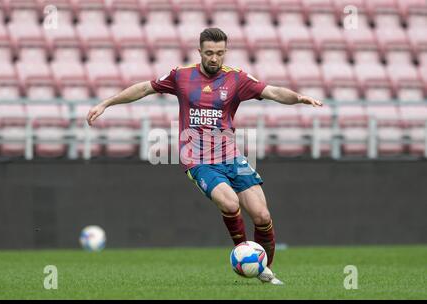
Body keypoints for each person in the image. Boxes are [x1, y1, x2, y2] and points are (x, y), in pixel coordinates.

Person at [87, 27, 323, 285]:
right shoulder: (181, 76)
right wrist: (106, 103)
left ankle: (263, 268)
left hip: (231, 156)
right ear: (199, 51)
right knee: (231, 204)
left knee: (262, 216)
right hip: (197, 159)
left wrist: (298, 97)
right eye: (209, 53)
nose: (214, 58)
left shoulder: (237, 79)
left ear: (225, 53)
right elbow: (144, 89)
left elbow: (274, 92)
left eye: (219, 53)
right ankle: (245, 253)